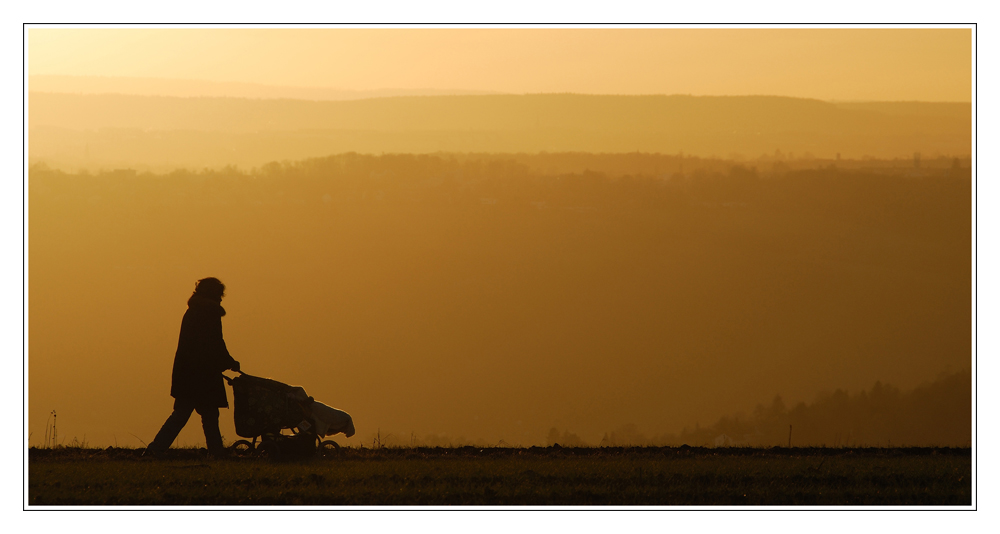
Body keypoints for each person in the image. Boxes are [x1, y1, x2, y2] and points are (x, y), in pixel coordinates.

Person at [146, 277, 240, 456]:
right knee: (208, 416)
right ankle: (216, 451)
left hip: (187, 373)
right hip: (204, 374)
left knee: (183, 414)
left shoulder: (192, 312)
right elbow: (215, 343)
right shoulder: (210, 313)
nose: (221, 298)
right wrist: (229, 363)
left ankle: (155, 450)